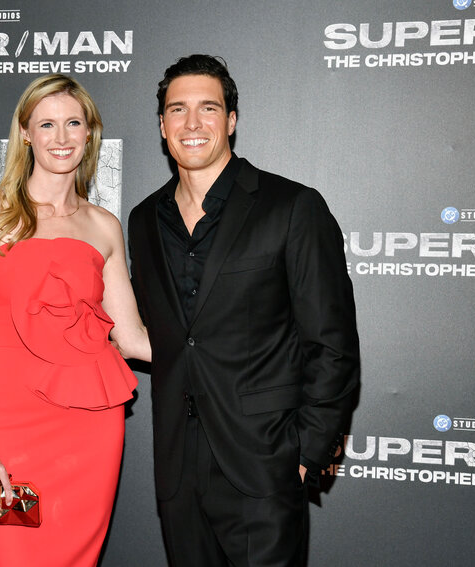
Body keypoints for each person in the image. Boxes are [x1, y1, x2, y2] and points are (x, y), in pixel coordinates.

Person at [128, 54, 360, 566]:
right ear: (162, 125)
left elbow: (332, 342)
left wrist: (306, 454)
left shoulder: (292, 207)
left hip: (264, 463)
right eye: (177, 110)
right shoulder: (145, 219)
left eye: (208, 108)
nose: (192, 124)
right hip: (176, 466)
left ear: (231, 120)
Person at [0, 73, 150, 567]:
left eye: (73, 123)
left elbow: (131, 339)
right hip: (10, 428)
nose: (61, 138)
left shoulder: (104, 225)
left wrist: (238, 340)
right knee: (15, 556)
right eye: (47, 124)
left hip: (91, 428)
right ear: (25, 133)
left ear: (90, 133)